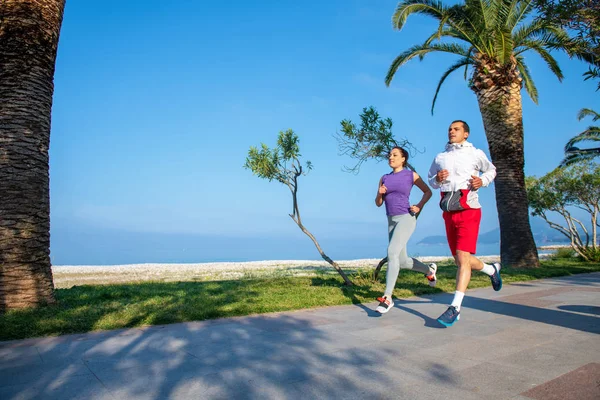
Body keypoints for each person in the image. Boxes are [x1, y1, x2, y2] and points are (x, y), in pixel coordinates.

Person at [427, 120, 502, 327]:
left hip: (469, 210)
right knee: (461, 260)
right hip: (449, 211)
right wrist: (437, 179)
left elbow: (491, 170)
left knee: (462, 257)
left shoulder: (474, 153)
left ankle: (455, 308)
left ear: (466, 134)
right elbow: (431, 179)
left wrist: (482, 181)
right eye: (450, 129)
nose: (451, 131)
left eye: (456, 129)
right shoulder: (440, 157)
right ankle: (491, 270)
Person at [375, 146, 437, 314]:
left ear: (403, 159)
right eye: (389, 155)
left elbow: (427, 192)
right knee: (402, 261)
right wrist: (380, 194)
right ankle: (429, 271)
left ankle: (387, 298)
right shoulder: (384, 178)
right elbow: (378, 203)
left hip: (406, 218)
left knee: (391, 252)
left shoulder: (411, 175)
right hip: (391, 221)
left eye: (395, 155)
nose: (391, 157)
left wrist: (419, 206)